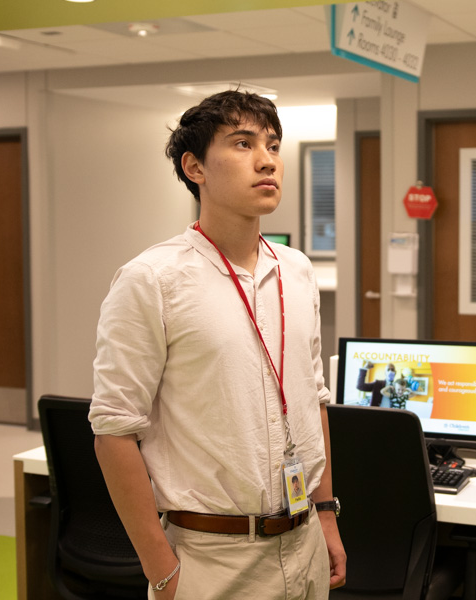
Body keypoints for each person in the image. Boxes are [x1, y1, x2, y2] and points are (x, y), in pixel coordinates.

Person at [89, 90, 345, 600]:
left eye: (273, 144)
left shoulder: (295, 270)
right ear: (195, 167)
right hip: (211, 558)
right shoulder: (152, 280)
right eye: (243, 143)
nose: (267, 159)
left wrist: (325, 515)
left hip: (305, 544)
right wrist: (162, 570)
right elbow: (113, 433)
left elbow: (311, 402)